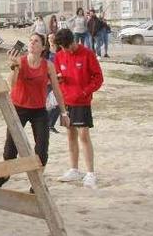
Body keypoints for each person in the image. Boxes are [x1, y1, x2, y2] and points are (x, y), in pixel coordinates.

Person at [0, 33, 68, 188]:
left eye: (36, 41)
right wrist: (14, 66)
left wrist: (64, 112)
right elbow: (11, 84)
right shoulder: (20, 61)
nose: (32, 44)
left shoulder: (48, 65)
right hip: (19, 108)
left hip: (39, 110)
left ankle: (37, 182)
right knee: (10, 148)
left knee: (42, 148)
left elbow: (57, 89)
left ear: (43, 47)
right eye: (31, 41)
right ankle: (6, 174)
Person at [54, 29, 103, 188]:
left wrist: (84, 92)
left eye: (66, 47)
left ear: (73, 41)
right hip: (66, 101)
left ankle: (90, 173)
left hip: (82, 102)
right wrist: (59, 80)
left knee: (83, 136)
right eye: (61, 47)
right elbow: (56, 75)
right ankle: (74, 169)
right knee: (70, 136)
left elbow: (98, 77)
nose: (65, 50)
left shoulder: (87, 53)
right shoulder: (59, 55)